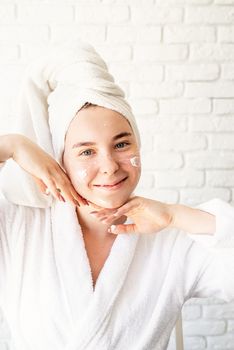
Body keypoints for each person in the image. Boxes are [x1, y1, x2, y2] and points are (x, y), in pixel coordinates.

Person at [0, 41, 233, 350]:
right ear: (59, 160)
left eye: (122, 144)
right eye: (86, 151)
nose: (109, 167)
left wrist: (177, 215)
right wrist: (13, 145)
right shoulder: (18, 226)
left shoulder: (172, 241)